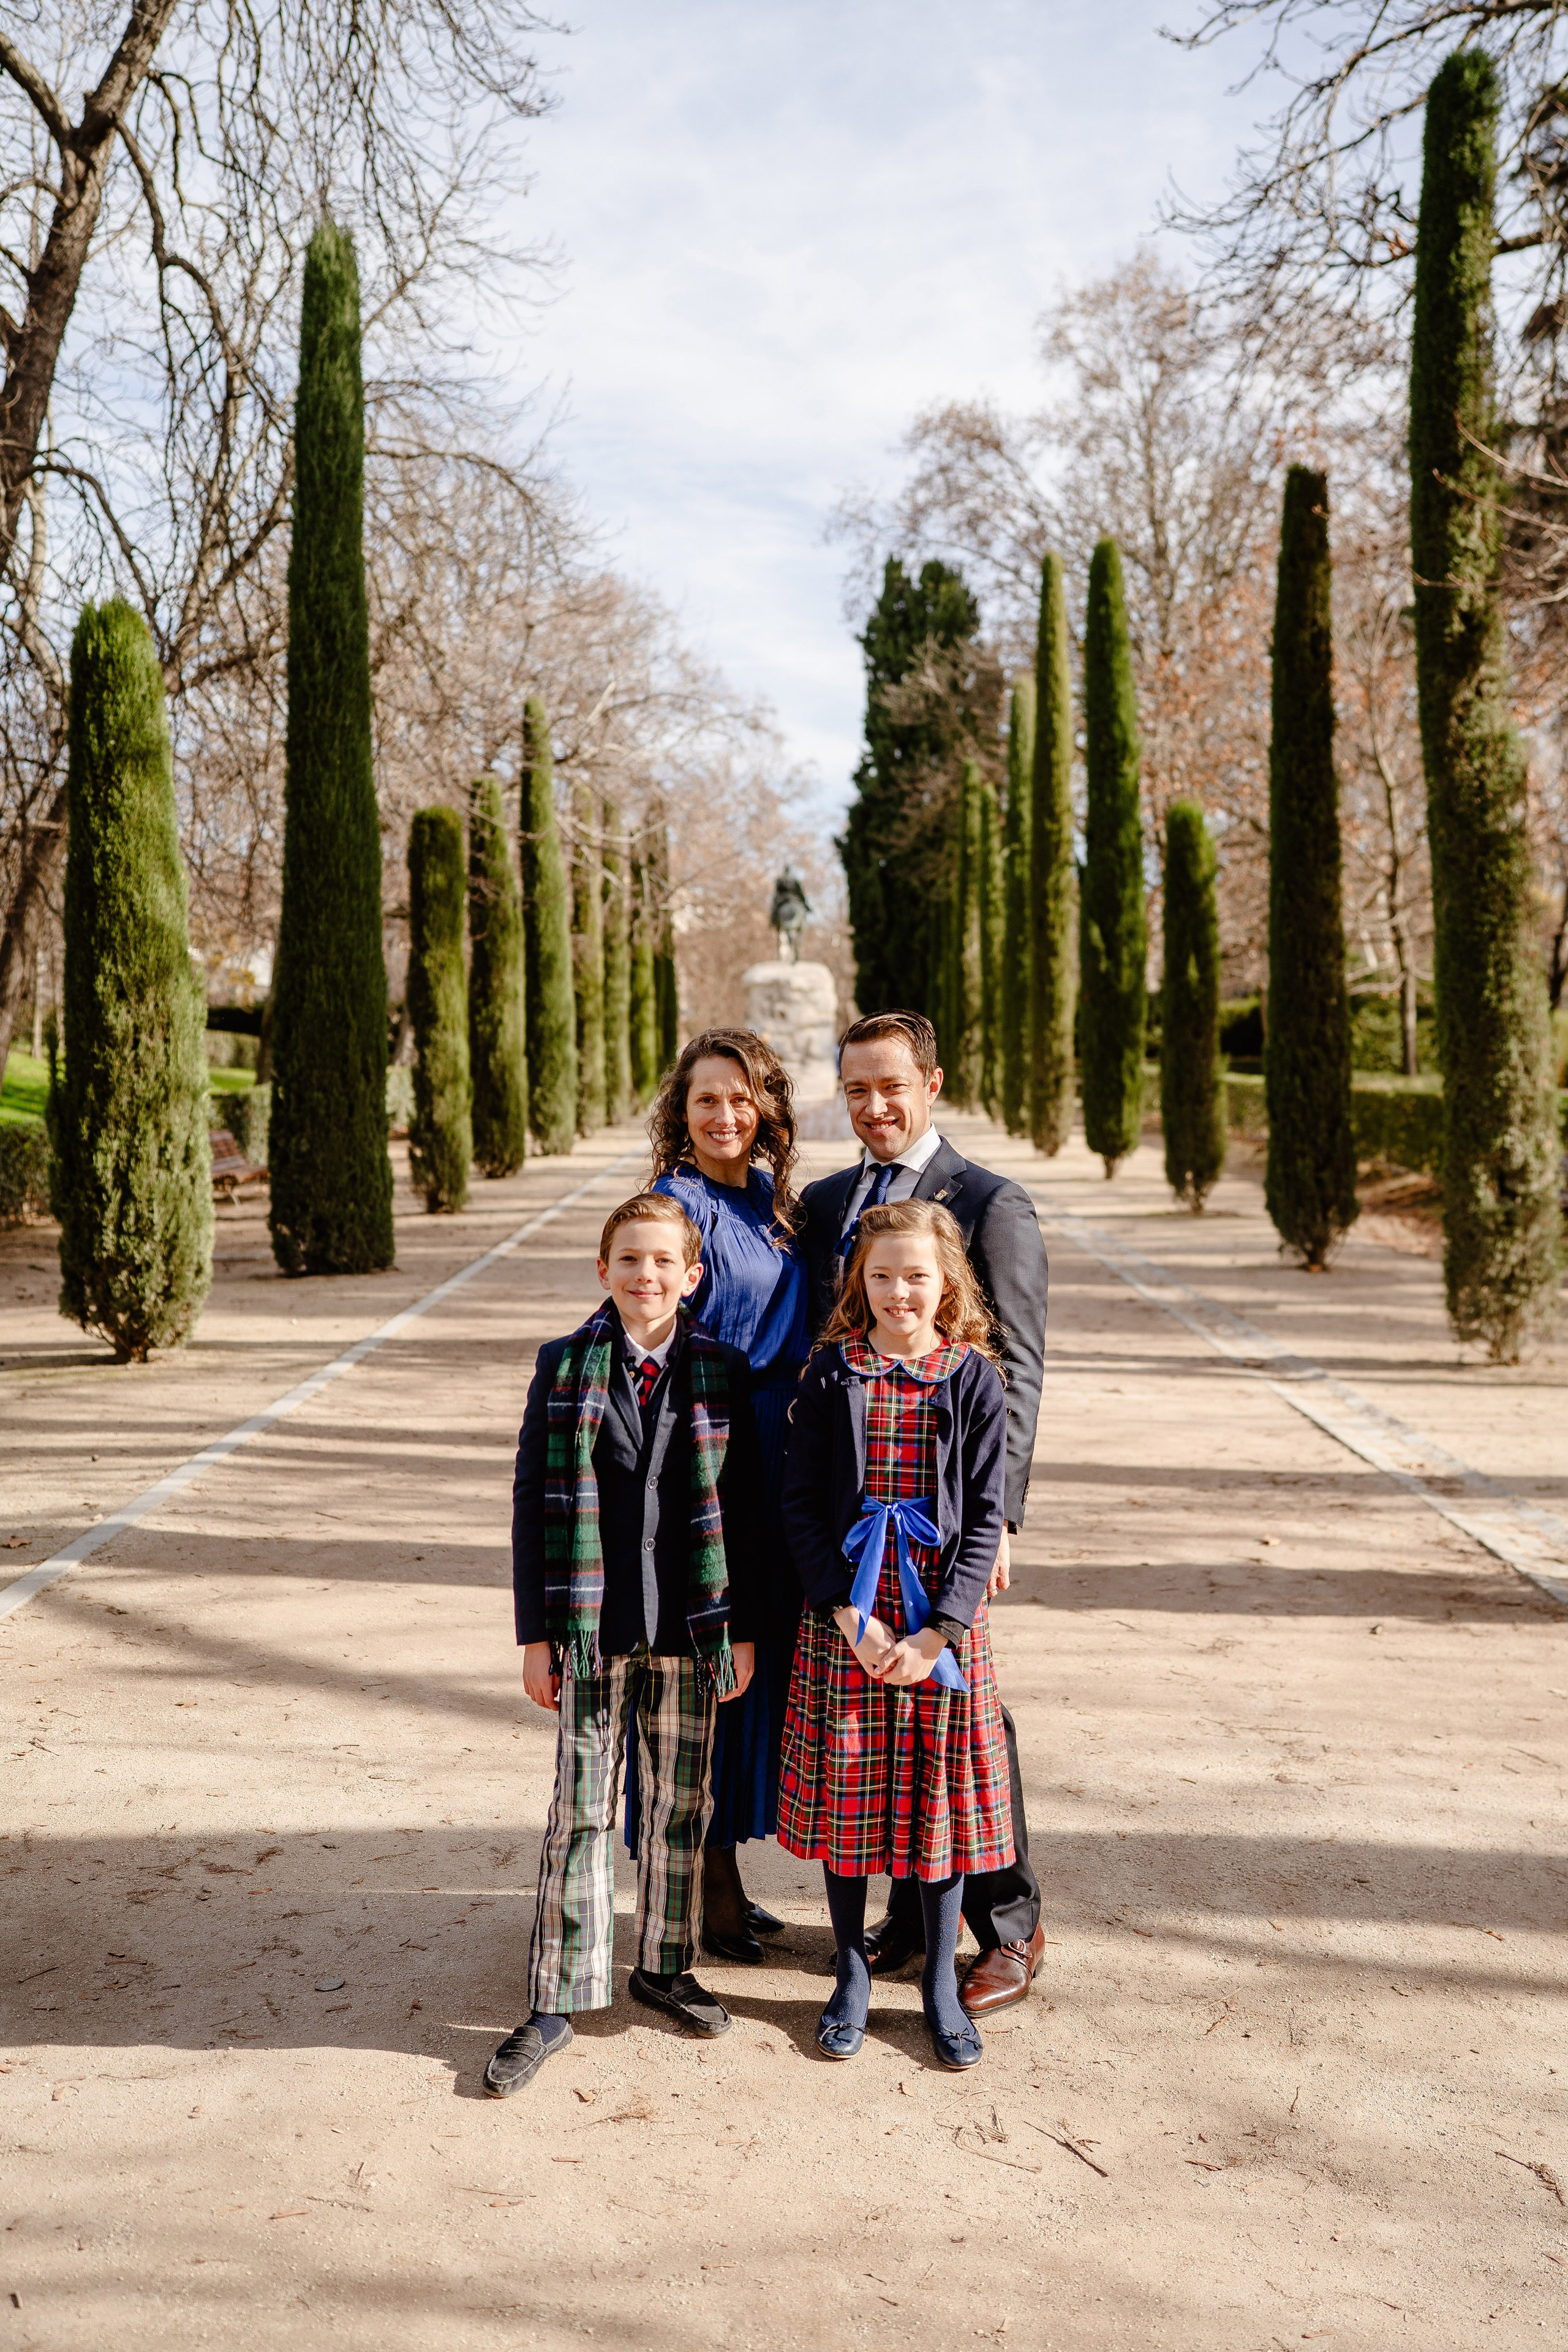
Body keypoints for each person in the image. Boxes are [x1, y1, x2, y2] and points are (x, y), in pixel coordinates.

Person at [796, 1008, 1049, 2017]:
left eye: (892, 1084)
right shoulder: (822, 1204)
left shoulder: (991, 1203)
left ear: (931, 1083)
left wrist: (1001, 1530)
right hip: (854, 1519)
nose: (875, 1105)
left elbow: (1017, 1366)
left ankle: (1014, 1928)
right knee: (874, 1715)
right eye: (856, 1088)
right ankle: (903, 1924)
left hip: (949, 1525)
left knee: (969, 1718)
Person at [484, 1192, 763, 2098]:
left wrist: (744, 1628)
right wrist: (536, 1635)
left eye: (664, 1263)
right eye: (629, 1260)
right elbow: (533, 1503)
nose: (647, 1277)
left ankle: (665, 1965)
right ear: (603, 1271)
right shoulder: (564, 1364)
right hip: (589, 1627)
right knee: (583, 1811)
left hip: (694, 1624)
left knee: (682, 1804)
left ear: (695, 1276)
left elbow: (746, 1514)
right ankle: (560, 1993)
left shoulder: (724, 1370)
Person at [778, 1199, 1012, 2069]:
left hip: (938, 1624)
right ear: (858, 1282)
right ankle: (849, 1969)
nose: (898, 1292)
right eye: (881, 1276)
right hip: (850, 1616)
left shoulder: (974, 1378)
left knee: (938, 1806)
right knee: (850, 1799)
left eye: (916, 1275)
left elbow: (986, 1519)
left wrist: (941, 1631)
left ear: (946, 1281)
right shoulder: (832, 1373)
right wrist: (846, 1612)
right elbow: (798, 1505)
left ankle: (942, 1984)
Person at [640, 1027, 810, 1961]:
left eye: (742, 1098)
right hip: (714, 1446)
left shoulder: (771, 1202)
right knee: (710, 1658)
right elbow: (643, 1317)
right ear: (683, 1110)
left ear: (768, 1108)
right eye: (708, 1098)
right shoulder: (675, 1202)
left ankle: (728, 1875)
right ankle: (700, 1885)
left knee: (758, 1668)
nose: (725, 1114)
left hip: (782, 1451)